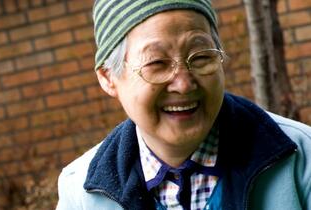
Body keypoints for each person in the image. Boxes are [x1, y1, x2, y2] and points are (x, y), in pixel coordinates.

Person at [56, 0, 311, 209]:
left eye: (201, 57)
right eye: (156, 63)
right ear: (109, 78)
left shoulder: (302, 156)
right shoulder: (80, 193)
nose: (184, 84)